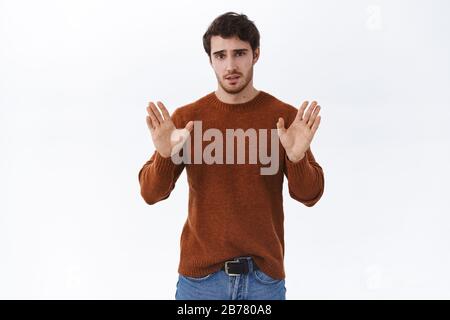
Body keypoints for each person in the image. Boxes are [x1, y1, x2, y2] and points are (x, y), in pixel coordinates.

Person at [138, 12, 325, 300]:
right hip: (201, 283)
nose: (230, 65)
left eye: (239, 53)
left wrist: (298, 158)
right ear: (210, 60)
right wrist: (164, 155)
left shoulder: (284, 119)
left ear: (256, 54)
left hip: (264, 281)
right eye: (220, 55)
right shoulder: (188, 119)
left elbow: (309, 195)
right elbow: (151, 193)